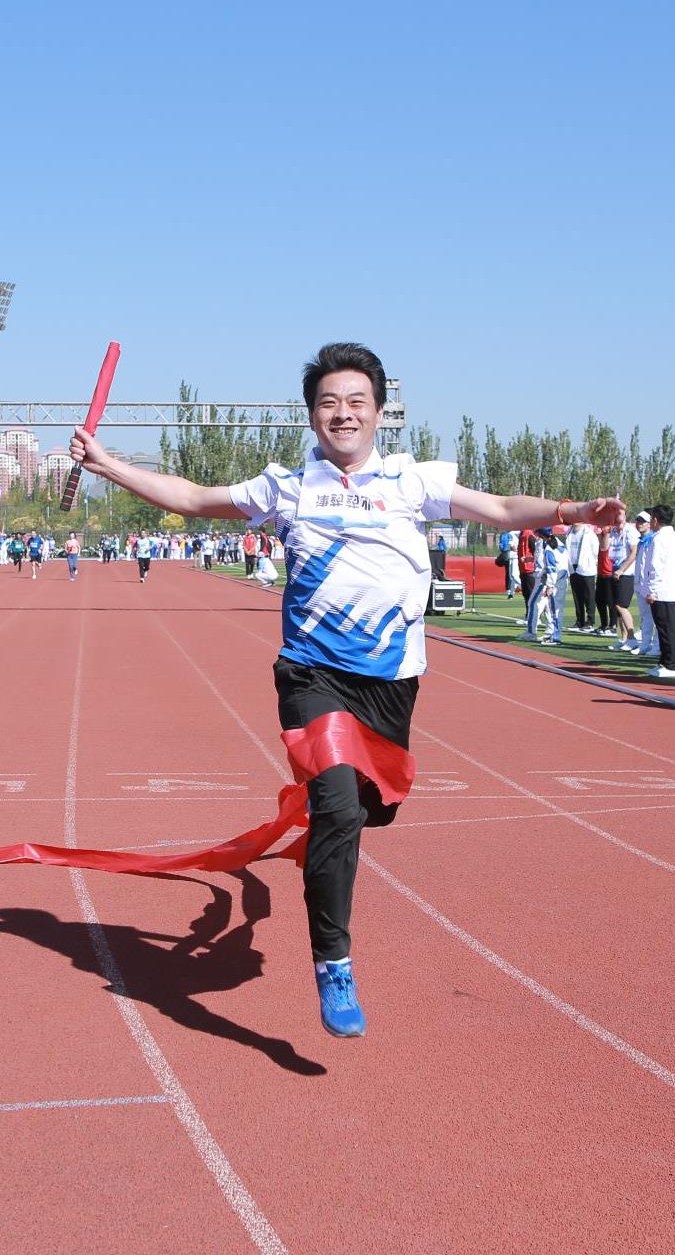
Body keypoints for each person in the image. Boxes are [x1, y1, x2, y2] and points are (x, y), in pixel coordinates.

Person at [68, 341, 624, 1038]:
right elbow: (192, 497)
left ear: (379, 413)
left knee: (367, 811)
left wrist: (575, 510)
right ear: (312, 416)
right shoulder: (287, 487)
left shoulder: (411, 480)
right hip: (312, 674)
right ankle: (334, 961)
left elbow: (502, 508)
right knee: (334, 806)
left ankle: (336, 831)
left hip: (390, 681)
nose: (343, 413)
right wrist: (108, 465)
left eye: (357, 401)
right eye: (329, 402)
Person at [644, 504, 675, 679]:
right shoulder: (671, 536)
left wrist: (652, 590)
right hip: (669, 589)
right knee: (667, 628)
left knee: (665, 629)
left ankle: (670, 664)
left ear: (656, 520)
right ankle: (665, 661)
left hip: (662, 591)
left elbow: (656, 566)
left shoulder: (659, 539)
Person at [607, 509, 639, 650]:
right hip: (615, 571)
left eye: (619, 513)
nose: (617, 516)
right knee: (616, 607)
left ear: (625, 516)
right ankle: (624, 638)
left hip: (627, 573)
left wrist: (622, 569)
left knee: (621, 605)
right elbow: (604, 547)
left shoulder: (630, 531)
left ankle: (632, 638)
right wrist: (604, 533)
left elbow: (634, 553)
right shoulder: (613, 531)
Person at [631, 511, 659, 658]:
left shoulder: (653, 540)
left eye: (642, 521)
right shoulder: (641, 541)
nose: (639, 524)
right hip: (640, 584)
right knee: (646, 617)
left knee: (657, 618)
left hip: (650, 585)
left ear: (649, 524)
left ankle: (657, 646)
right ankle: (645, 644)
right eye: (638, 521)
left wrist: (650, 585)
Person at [566, 522, 599, 631]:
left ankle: (590, 621)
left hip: (586, 568)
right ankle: (579, 621)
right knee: (577, 596)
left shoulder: (589, 533)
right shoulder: (569, 532)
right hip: (573, 567)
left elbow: (595, 550)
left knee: (589, 596)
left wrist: (590, 562)